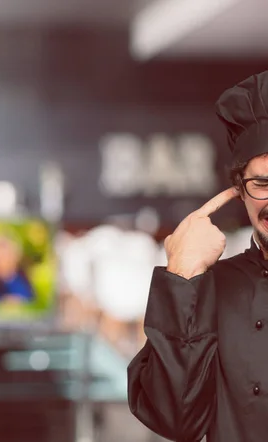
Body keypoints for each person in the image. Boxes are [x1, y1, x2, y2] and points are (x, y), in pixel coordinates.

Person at [127, 70, 268, 442]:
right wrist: (182, 273)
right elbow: (176, 421)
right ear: (239, 189)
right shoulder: (210, 287)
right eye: (262, 184)